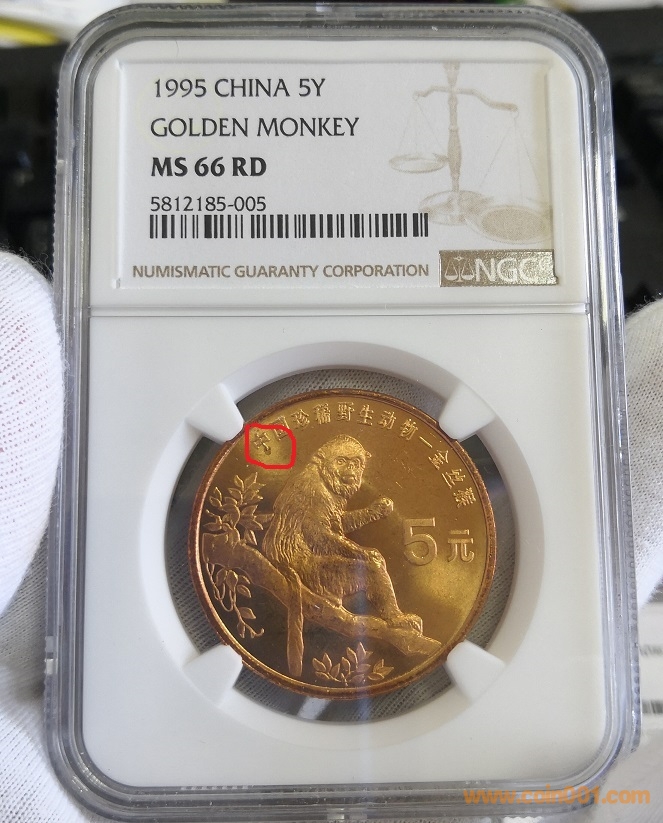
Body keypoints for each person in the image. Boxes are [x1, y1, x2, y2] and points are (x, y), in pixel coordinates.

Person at [1, 251, 662, 821]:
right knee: (369, 562)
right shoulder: (309, 488)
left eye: (356, 470)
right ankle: (392, 619)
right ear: (330, 463)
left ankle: (390, 620)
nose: (353, 477)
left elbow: (335, 528)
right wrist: (360, 540)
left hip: (304, 586)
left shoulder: (327, 491)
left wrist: (365, 523)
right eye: (348, 468)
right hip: (296, 569)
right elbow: (318, 538)